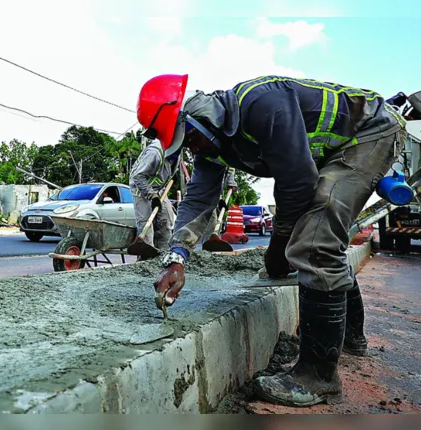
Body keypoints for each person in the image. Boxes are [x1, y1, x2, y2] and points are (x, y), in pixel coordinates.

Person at [137, 74, 406, 407]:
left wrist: (278, 247)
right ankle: (350, 338)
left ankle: (318, 377)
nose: (192, 150)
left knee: (315, 241)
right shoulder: (211, 147)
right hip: (336, 150)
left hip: (371, 132)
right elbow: (197, 202)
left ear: (202, 118)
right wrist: (176, 258)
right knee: (316, 240)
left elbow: (299, 183)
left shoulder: (262, 102)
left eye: (189, 140)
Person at [129, 139, 179, 250]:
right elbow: (138, 177)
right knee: (146, 224)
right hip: (140, 187)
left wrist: (172, 174)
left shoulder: (178, 149)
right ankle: (146, 257)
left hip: (159, 189)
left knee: (166, 220)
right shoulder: (154, 153)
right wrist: (152, 196)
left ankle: (164, 254)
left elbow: (168, 167)